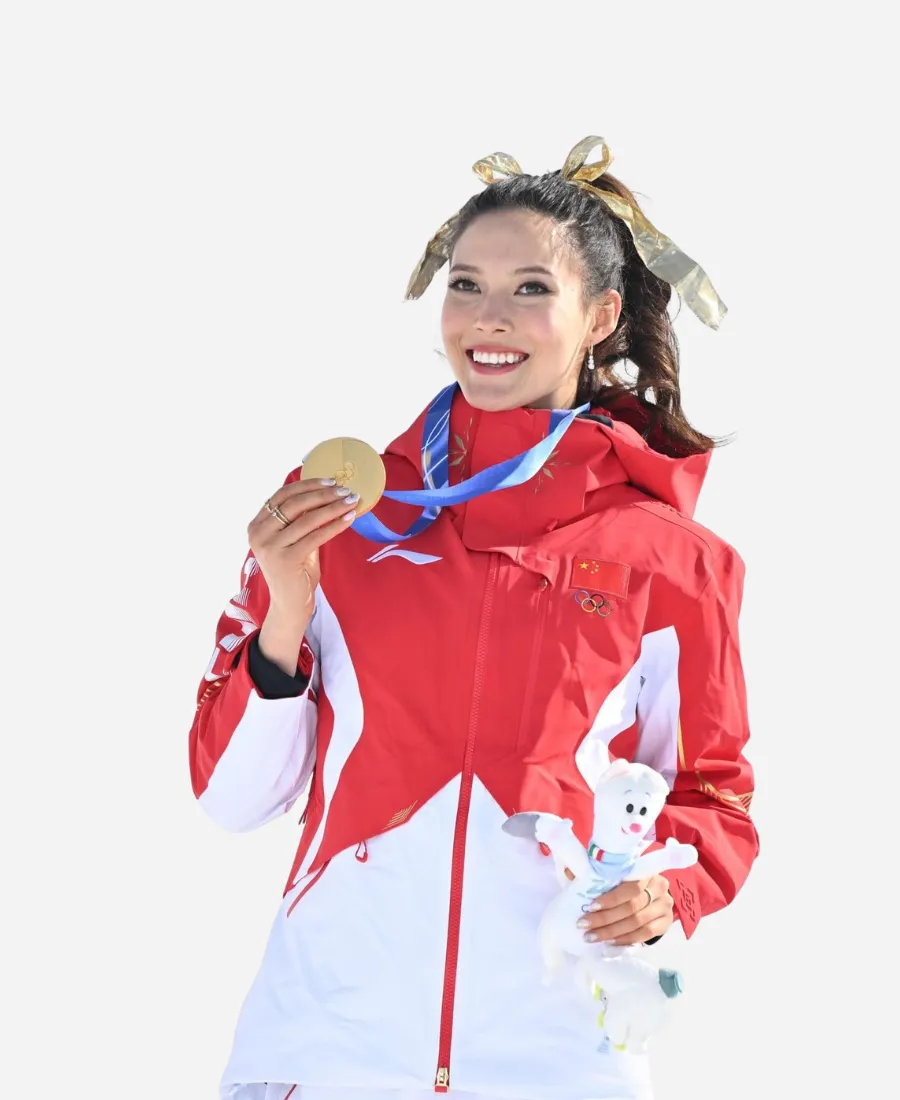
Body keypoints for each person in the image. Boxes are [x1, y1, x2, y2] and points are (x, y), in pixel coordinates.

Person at [188, 136, 759, 1100]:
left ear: (601, 315)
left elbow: (714, 794)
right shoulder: (339, 510)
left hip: (557, 1055)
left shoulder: (670, 559)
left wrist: (671, 889)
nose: (489, 318)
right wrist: (286, 606)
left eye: (531, 289)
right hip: (325, 1047)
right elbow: (231, 799)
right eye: (466, 285)